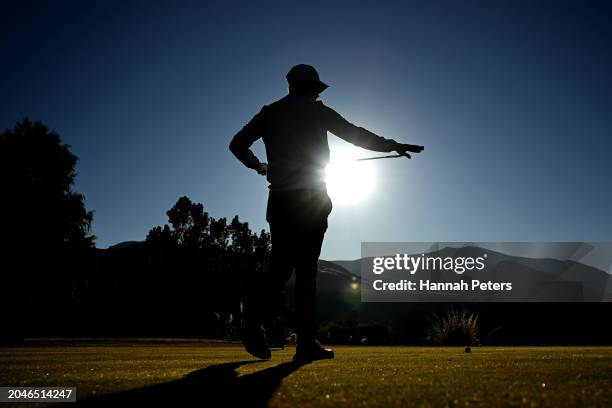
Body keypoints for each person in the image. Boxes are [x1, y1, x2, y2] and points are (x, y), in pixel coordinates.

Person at [229, 64, 423, 362]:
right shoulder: (319, 112)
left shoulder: (270, 112)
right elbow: (355, 134)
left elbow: (237, 145)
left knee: (280, 268)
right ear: (312, 88)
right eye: (316, 89)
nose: (318, 94)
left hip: (280, 199)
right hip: (313, 199)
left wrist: (259, 166)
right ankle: (304, 342)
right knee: (306, 272)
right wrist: (391, 145)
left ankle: (252, 322)